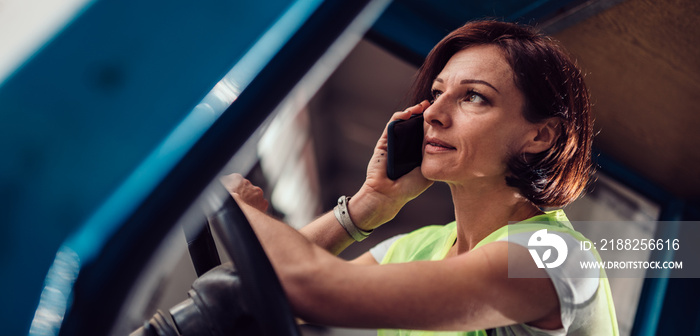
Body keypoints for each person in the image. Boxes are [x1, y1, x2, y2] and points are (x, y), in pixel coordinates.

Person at [222, 20, 619, 336]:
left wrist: (235, 207)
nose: (433, 113)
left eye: (474, 97)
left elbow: (312, 289)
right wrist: (365, 207)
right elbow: (257, 295)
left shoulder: (552, 257)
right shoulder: (416, 246)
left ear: (539, 135)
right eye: (437, 92)